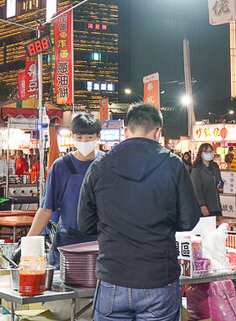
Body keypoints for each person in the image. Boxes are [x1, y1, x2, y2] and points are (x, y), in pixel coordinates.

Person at [78, 103, 200, 321]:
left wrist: (112, 227)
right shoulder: (173, 164)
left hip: (112, 277)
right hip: (158, 278)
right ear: (158, 131)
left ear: (126, 130)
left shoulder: (99, 166)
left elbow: (85, 223)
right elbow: (188, 220)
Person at [27, 112, 103, 266]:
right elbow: (46, 209)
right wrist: (27, 244)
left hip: (102, 243)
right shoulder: (61, 166)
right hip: (68, 242)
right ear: (72, 135)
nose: (84, 141)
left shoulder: (108, 164)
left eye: (89, 137)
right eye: (80, 137)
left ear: (98, 136)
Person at [190, 143, 223, 217]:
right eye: (206, 151)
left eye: (211, 151)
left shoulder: (215, 167)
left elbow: (218, 181)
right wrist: (202, 205)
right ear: (200, 154)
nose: (209, 154)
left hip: (216, 207)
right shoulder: (196, 169)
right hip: (204, 208)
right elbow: (196, 189)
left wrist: (220, 186)